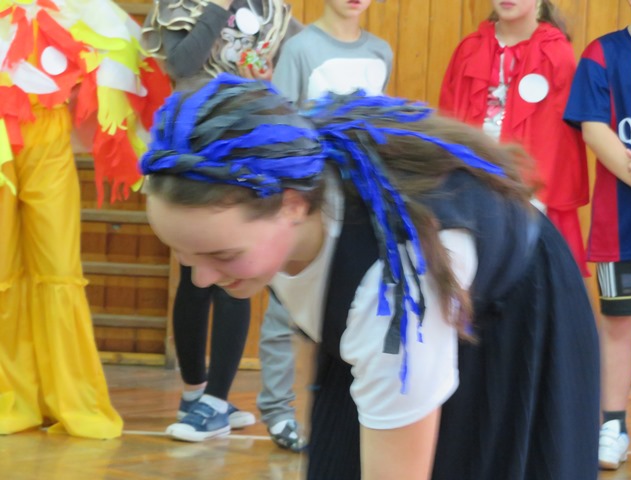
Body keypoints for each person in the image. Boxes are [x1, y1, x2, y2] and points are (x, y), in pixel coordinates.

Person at [141, 74, 600, 479]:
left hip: (516, 313)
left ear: (292, 207)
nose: (200, 279)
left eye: (220, 255)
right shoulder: (273, 205)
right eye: (182, 254)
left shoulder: (392, 289)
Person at [0, 0, 169, 438]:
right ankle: (10, 397)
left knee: (58, 266)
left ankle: (69, 396)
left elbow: (119, 43)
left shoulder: (72, 4)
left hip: (47, 130)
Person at [141, 0, 302, 443]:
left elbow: (298, 62)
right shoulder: (180, 6)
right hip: (191, 148)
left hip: (245, 147)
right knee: (194, 277)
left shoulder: (272, 11)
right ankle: (194, 392)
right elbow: (181, 64)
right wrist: (215, 7)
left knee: (235, 271)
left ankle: (215, 400)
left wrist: (268, 80)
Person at [257, 0, 393, 451]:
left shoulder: (381, 51)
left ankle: (339, 414)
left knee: (349, 306)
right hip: (308, 197)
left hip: (358, 200)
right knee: (285, 307)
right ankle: (277, 409)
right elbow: (280, 123)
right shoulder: (301, 49)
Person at [439, 0, 590, 276]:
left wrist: (532, 195)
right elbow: (449, 125)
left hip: (530, 191)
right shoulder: (469, 49)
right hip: (472, 184)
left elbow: (558, 142)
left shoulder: (556, 53)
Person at [564, 0, 631, 470]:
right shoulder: (601, 54)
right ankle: (613, 425)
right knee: (618, 324)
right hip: (621, 223)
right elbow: (594, 131)